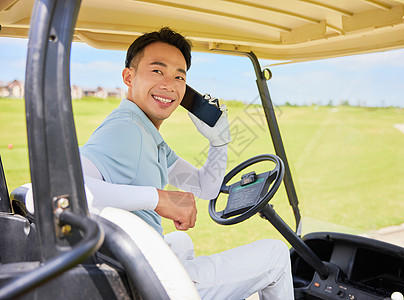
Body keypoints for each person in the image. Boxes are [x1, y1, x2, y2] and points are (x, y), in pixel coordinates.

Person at [79, 27, 294, 300]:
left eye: (179, 76)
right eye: (157, 71)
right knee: (275, 255)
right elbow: (66, 189)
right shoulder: (125, 129)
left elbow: (205, 188)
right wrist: (158, 198)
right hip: (149, 281)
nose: (169, 84)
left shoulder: (146, 133)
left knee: (181, 240)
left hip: (136, 263)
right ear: (128, 77)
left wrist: (219, 143)